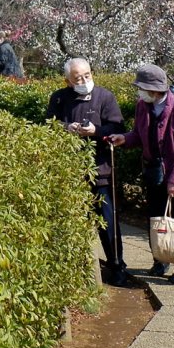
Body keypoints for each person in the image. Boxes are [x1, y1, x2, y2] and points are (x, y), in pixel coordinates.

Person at [108, 63, 174, 285]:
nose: (139, 92)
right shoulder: (143, 106)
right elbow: (140, 135)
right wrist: (125, 139)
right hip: (154, 172)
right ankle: (161, 259)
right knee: (157, 220)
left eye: (141, 87)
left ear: (154, 89)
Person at [47, 57, 128, 286]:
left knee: (107, 221)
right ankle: (79, 268)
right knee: (74, 223)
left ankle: (116, 264)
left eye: (87, 75)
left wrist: (96, 131)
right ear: (68, 81)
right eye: (78, 78)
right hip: (69, 171)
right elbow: (47, 124)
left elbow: (118, 127)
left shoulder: (105, 96)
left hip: (100, 170)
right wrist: (66, 127)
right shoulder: (60, 97)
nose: (83, 80)